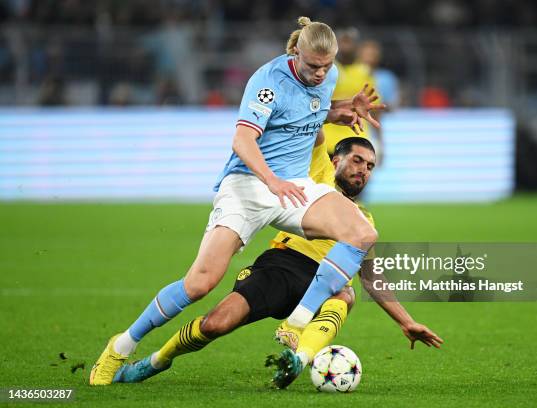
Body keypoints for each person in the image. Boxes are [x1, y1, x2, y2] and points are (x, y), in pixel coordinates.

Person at [89, 16, 384, 386]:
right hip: (248, 185)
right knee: (199, 283)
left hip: (294, 186)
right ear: (295, 52)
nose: (320, 73)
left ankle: (297, 323)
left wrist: (340, 107)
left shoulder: (327, 77)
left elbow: (308, 107)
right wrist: (271, 180)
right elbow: (242, 141)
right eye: (312, 66)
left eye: (327, 66)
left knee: (361, 232)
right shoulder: (266, 83)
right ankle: (120, 345)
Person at [111, 137, 442, 387]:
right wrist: (329, 102)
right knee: (215, 324)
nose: (363, 170)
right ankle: (156, 361)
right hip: (281, 267)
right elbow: (314, 134)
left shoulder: (363, 222)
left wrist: (405, 321)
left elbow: (371, 276)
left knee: (346, 293)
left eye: (370, 166)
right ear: (335, 160)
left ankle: (297, 360)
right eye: (357, 160)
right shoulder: (317, 175)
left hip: (323, 281)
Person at [323, 28, 377, 155]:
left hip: (357, 139)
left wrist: (379, 140)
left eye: (349, 41)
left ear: (357, 45)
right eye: (343, 41)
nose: (346, 45)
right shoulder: (325, 69)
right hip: (326, 140)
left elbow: (373, 106)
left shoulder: (365, 71)